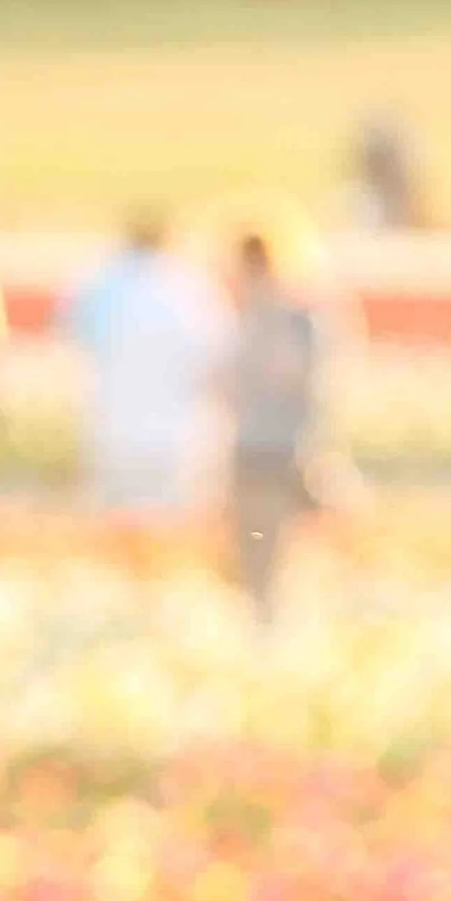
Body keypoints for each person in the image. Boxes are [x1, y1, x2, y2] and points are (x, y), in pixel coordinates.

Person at [63, 215, 225, 512]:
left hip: (112, 428)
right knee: (170, 533)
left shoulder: (102, 285)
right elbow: (215, 358)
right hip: (177, 435)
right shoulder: (191, 287)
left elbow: (73, 334)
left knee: (114, 528)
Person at [225, 231, 326, 619]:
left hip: (277, 449)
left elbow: (296, 379)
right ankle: (268, 621)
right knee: (258, 550)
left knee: (275, 552)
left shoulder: (291, 320)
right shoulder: (250, 316)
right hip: (263, 448)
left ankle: (274, 622)